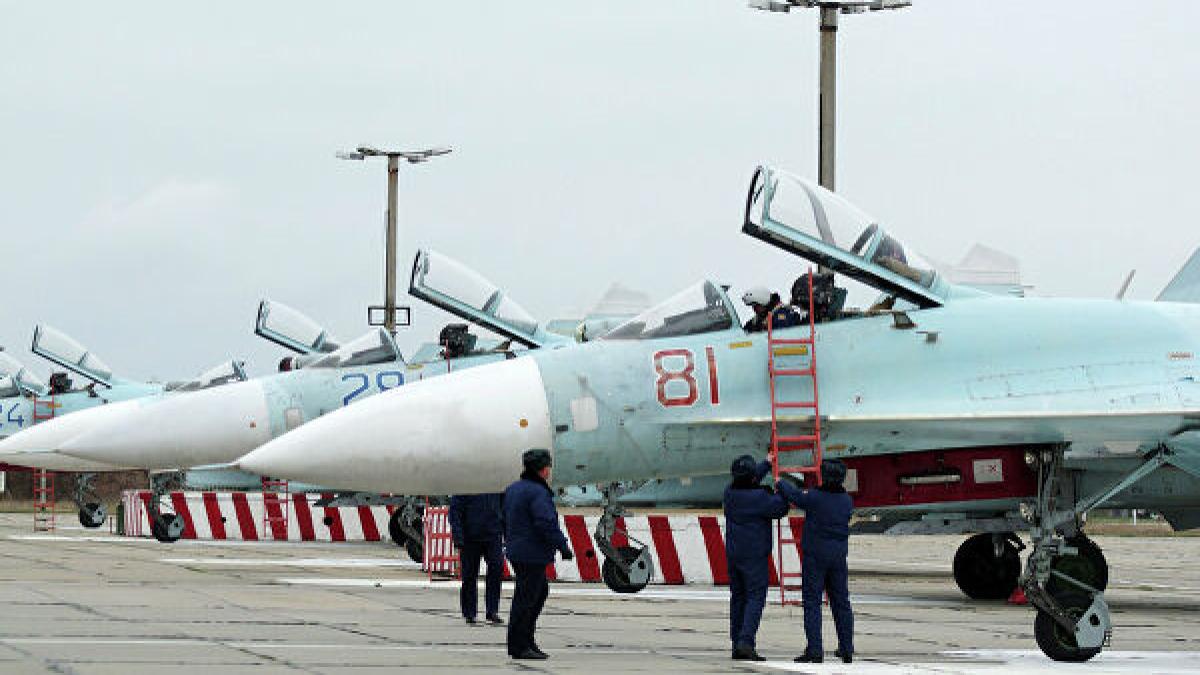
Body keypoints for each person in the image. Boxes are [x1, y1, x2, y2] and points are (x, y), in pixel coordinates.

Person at [776, 459, 855, 664]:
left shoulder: (815, 497)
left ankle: (815, 650)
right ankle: (846, 648)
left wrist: (780, 482)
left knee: (812, 603)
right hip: (838, 557)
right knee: (841, 603)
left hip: (815, 556)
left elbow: (793, 496)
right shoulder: (846, 500)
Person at [503, 448, 574, 660]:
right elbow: (545, 522)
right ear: (543, 470)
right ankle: (519, 645)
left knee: (538, 592)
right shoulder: (538, 492)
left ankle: (526, 640)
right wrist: (562, 546)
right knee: (527, 598)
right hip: (531, 552)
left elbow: (503, 517)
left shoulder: (513, 489)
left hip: (518, 549)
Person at [724, 454, 790, 661]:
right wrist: (783, 489)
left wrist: (766, 463)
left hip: (734, 553)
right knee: (755, 597)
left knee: (738, 598)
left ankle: (736, 643)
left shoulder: (729, 493)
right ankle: (746, 641)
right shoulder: (760, 499)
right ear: (753, 478)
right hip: (754, 556)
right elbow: (780, 507)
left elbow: (749, 481)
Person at [448, 493, 505, 626]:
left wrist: (506, 531)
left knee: (496, 569)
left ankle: (492, 610)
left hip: (493, 534)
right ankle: (469, 612)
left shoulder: (496, 485)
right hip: (470, 537)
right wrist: (458, 536)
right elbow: (455, 511)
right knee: (469, 575)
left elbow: (505, 507)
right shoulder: (467, 484)